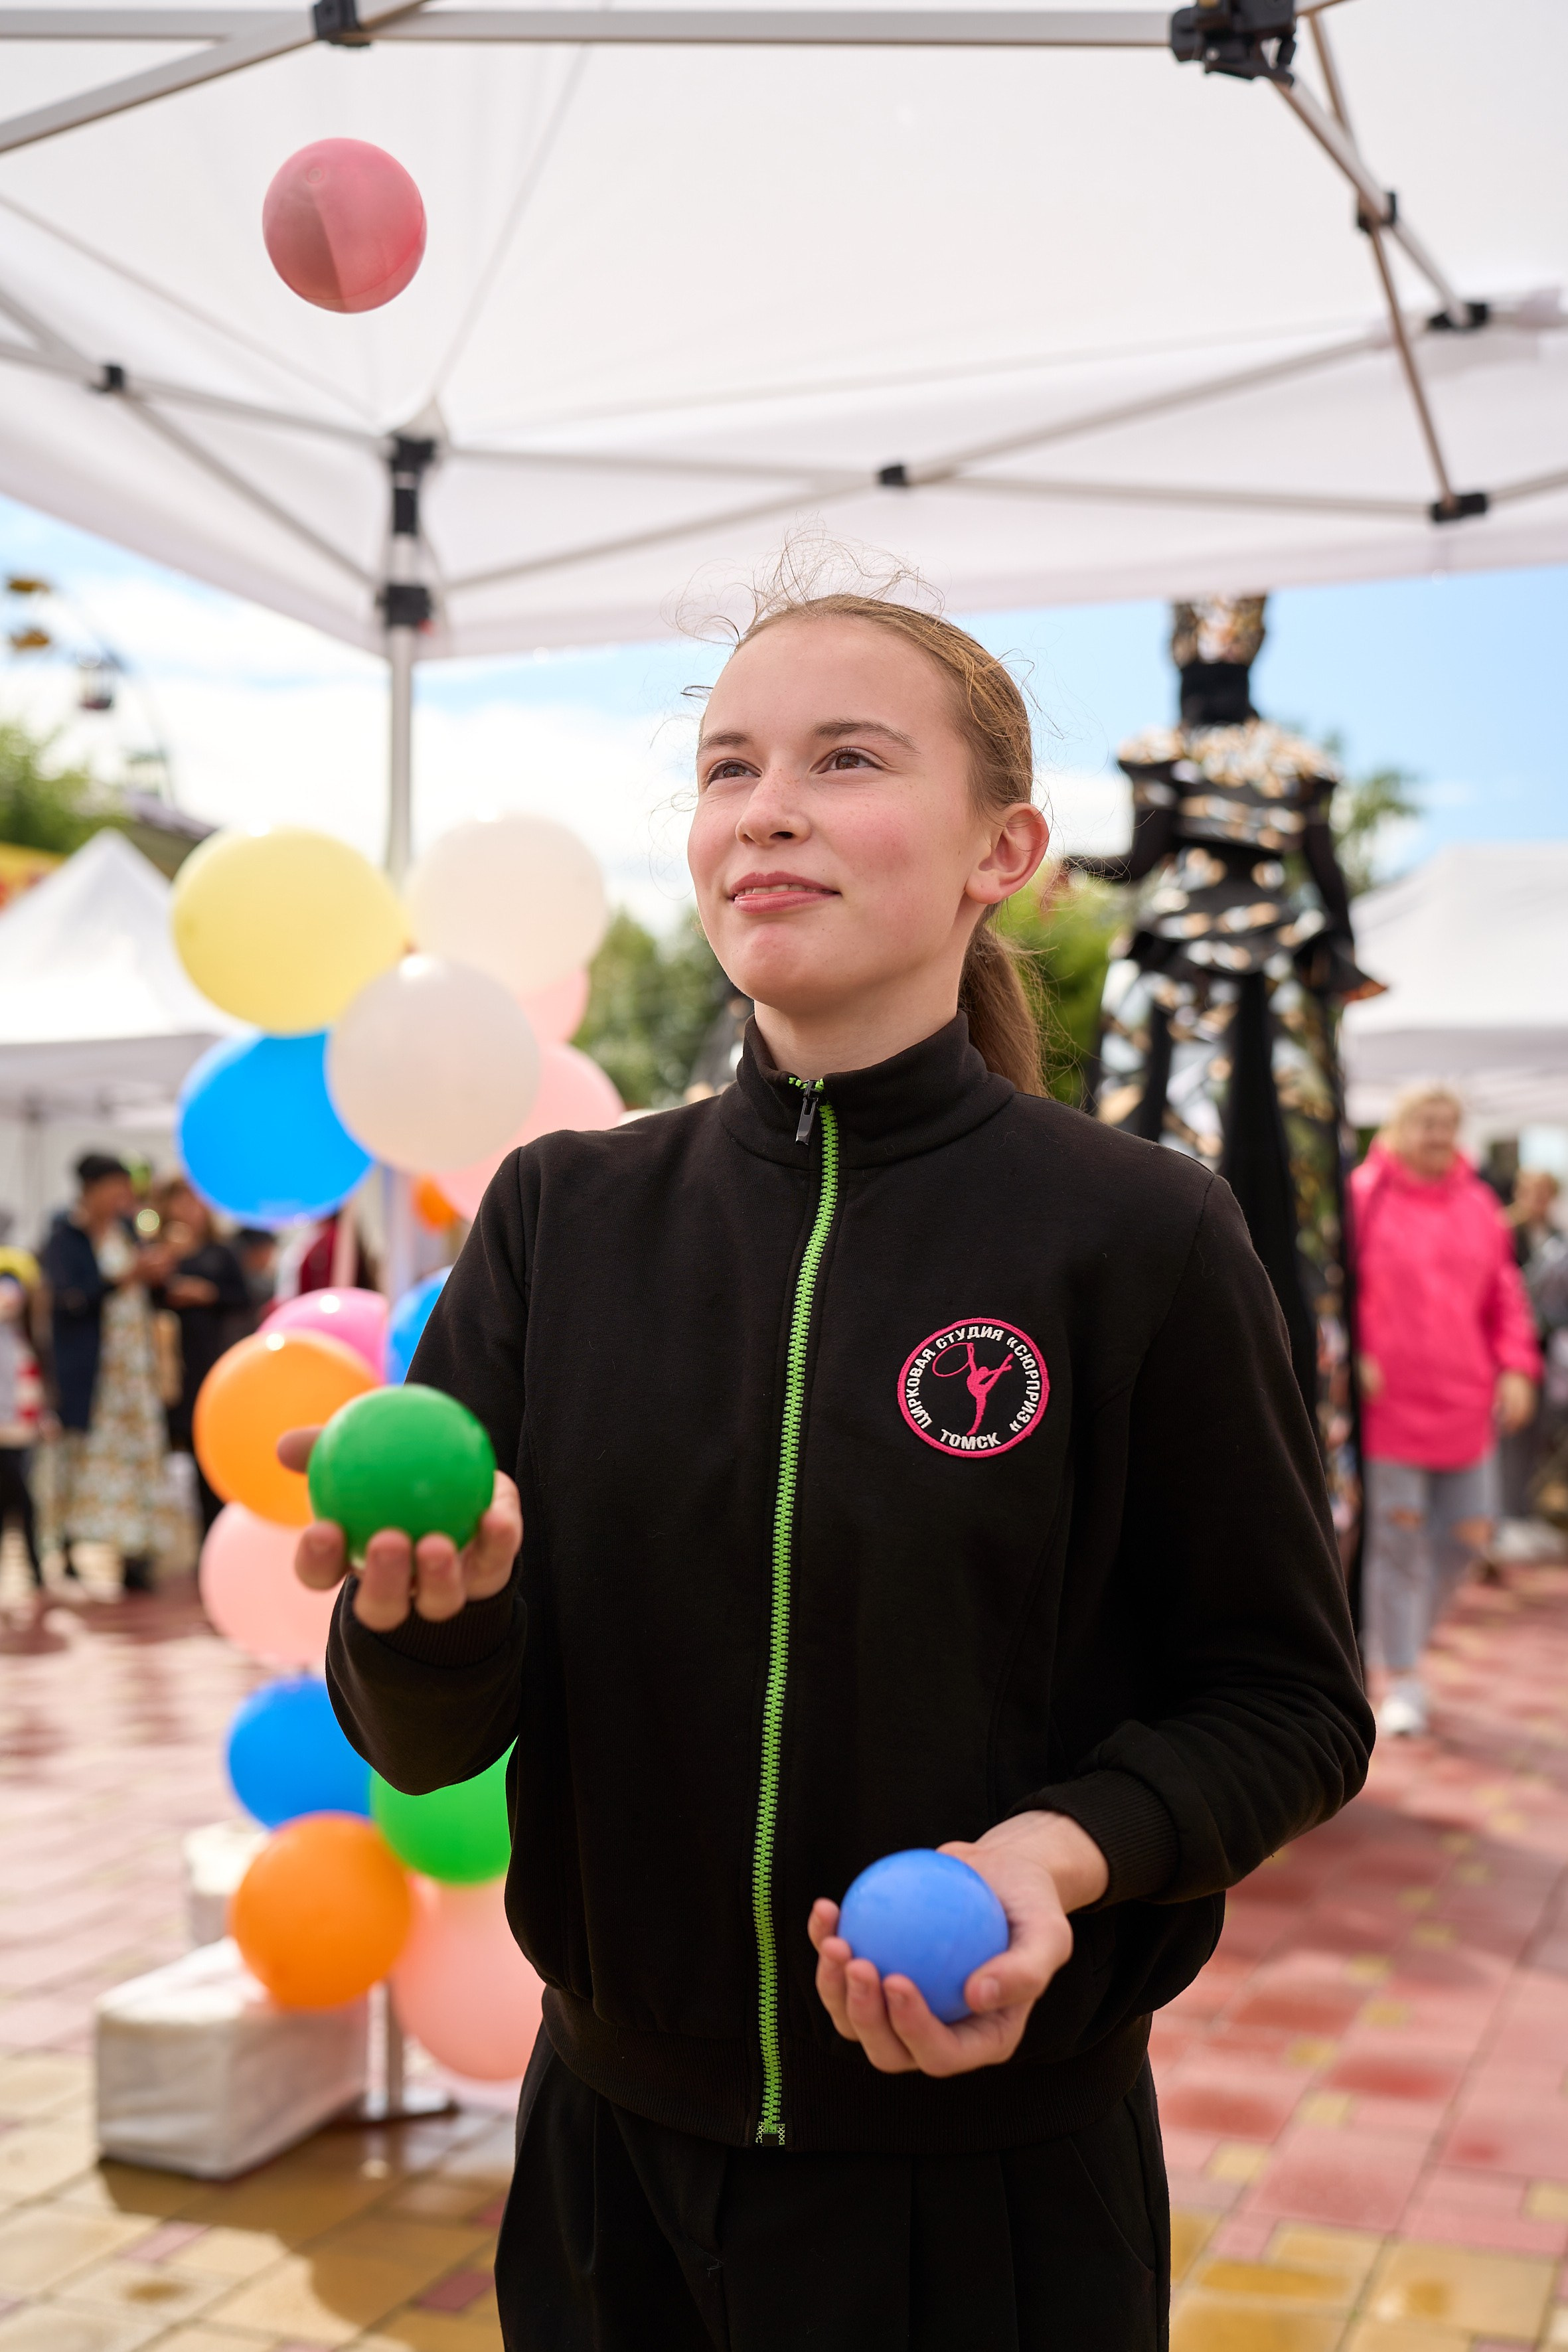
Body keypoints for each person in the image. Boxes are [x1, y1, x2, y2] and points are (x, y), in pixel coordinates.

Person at [288, 576, 1372, 2352]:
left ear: (997, 848)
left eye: (844, 758)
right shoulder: (562, 1218)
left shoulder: (1141, 1235)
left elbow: (1284, 1698)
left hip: (997, 2197)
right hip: (608, 2175)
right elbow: (426, 1736)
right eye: (729, 766)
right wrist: (429, 1619)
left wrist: (1059, 1852)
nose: (766, 805)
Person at [1073, 595, 1382, 1551]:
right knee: (1295, 1209)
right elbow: (1325, 878)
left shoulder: (1163, 748)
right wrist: (1338, 957)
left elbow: (1143, 859)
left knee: (1148, 1174)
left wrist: (1075, 863)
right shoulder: (1295, 759)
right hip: (1281, 988)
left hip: (1182, 983)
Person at [1352, 1085, 1541, 1738]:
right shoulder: (1361, 1196)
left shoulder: (1479, 1205)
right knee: (1397, 1538)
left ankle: (1393, 1641)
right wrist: (1352, 1350)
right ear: (1399, 1125)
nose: (1437, 1134)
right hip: (1388, 1404)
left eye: (1448, 1123)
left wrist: (1517, 1368)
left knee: (1467, 1535)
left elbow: (1506, 1298)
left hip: (1464, 1402)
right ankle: (1399, 1672)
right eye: (1425, 1122)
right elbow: (1330, 1285)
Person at [39, 1152, 177, 1595]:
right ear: (91, 1190)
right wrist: (125, 1278)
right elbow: (69, 1299)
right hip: (92, 1374)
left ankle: (133, 1554)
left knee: (136, 1459)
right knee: (82, 1461)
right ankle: (69, 1546)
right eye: (113, 1187)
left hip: (132, 1372)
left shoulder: (127, 1230)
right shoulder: (66, 1237)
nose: (121, 1196)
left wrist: (156, 1278)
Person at [151, 1176, 252, 1534]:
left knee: (207, 1459)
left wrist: (206, 1294)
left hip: (206, 1363)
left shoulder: (220, 1253)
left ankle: (213, 1537)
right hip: (162, 1369)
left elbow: (242, 1298)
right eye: (179, 1202)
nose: (186, 1211)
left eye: (193, 1202)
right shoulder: (155, 1251)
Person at [0, 1263, 46, 1597]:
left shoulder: (25, 1339)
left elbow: (34, 1383)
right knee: (16, 1502)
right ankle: (34, 1568)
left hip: (21, 1431)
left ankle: (37, 1569)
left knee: (24, 1502)